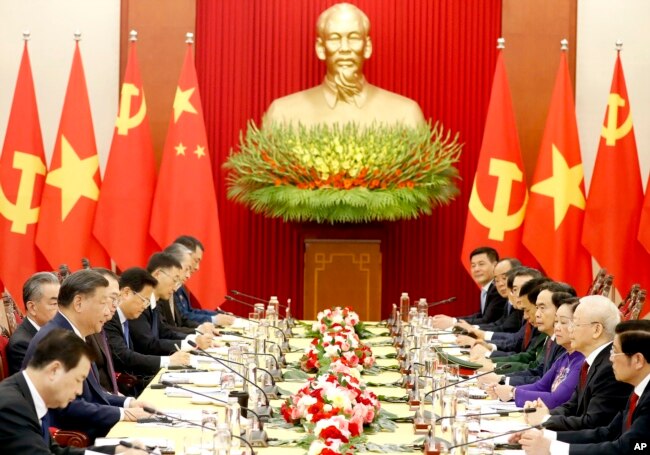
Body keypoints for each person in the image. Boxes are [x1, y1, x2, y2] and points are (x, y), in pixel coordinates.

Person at [22, 270, 152, 440]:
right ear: (78, 303)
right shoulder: (57, 340)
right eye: (103, 303)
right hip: (73, 437)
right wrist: (123, 413)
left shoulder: (72, 333)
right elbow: (67, 408)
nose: (108, 312)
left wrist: (129, 403)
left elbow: (94, 394)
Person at [263, 3, 425, 128]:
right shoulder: (282, 114)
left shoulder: (405, 115)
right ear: (320, 48)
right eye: (335, 38)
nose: (345, 48)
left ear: (367, 47)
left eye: (354, 37)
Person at [0, 329, 146, 454]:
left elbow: (56, 451)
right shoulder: (12, 407)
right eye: (78, 380)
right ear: (54, 370)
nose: (79, 391)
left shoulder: (29, 395)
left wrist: (116, 450)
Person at [519, 320, 650, 454]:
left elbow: (628, 447)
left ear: (638, 360)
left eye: (615, 352)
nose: (611, 359)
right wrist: (543, 436)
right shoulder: (638, 391)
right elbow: (607, 433)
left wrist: (552, 448)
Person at [523, 295, 633, 431]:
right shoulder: (590, 362)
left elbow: (592, 423)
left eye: (575, 324)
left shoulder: (610, 367)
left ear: (596, 330)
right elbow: (572, 406)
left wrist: (546, 420)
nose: (570, 329)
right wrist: (545, 414)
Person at [488, 297, 584, 409]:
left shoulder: (582, 361)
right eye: (556, 321)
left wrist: (513, 392)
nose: (556, 327)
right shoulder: (565, 357)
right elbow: (540, 386)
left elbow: (555, 399)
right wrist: (507, 390)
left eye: (563, 322)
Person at [105, 267, 191, 386]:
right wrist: (168, 361)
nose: (145, 306)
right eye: (144, 300)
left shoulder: (126, 317)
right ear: (126, 293)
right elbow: (124, 356)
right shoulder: (109, 319)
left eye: (147, 302)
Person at [128, 253, 211, 356]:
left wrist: (194, 338)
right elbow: (148, 345)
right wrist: (190, 344)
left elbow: (165, 332)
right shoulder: (139, 303)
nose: (176, 287)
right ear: (158, 274)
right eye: (175, 280)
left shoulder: (155, 302)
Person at [432, 247, 506, 328]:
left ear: (495, 265)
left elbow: (487, 320)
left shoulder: (498, 289)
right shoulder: (487, 288)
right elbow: (480, 315)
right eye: (473, 265)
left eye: (481, 264)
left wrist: (453, 322)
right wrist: (452, 320)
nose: (476, 269)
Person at [173, 235, 234, 326]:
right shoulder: (170, 284)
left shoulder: (180, 284)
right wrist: (214, 320)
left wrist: (217, 315)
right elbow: (182, 318)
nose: (197, 267)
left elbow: (190, 311)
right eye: (196, 260)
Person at [7, 272, 60, 375]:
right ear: (32, 307)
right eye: (54, 304)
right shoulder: (23, 344)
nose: (61, 310)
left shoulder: (54, 330)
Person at [158, 243, 214, 335]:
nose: (188, 275)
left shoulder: (176, 288)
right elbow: (162, 332)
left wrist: (200, 329)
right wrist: (196, 332)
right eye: (187, 269)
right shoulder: (158, 292)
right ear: (174, 265)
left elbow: (181, 320)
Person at [86, 268, 121, 395]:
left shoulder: (100, 325)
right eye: (112, 298)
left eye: (118, 299)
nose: (115, 305)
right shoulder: (84, 330)